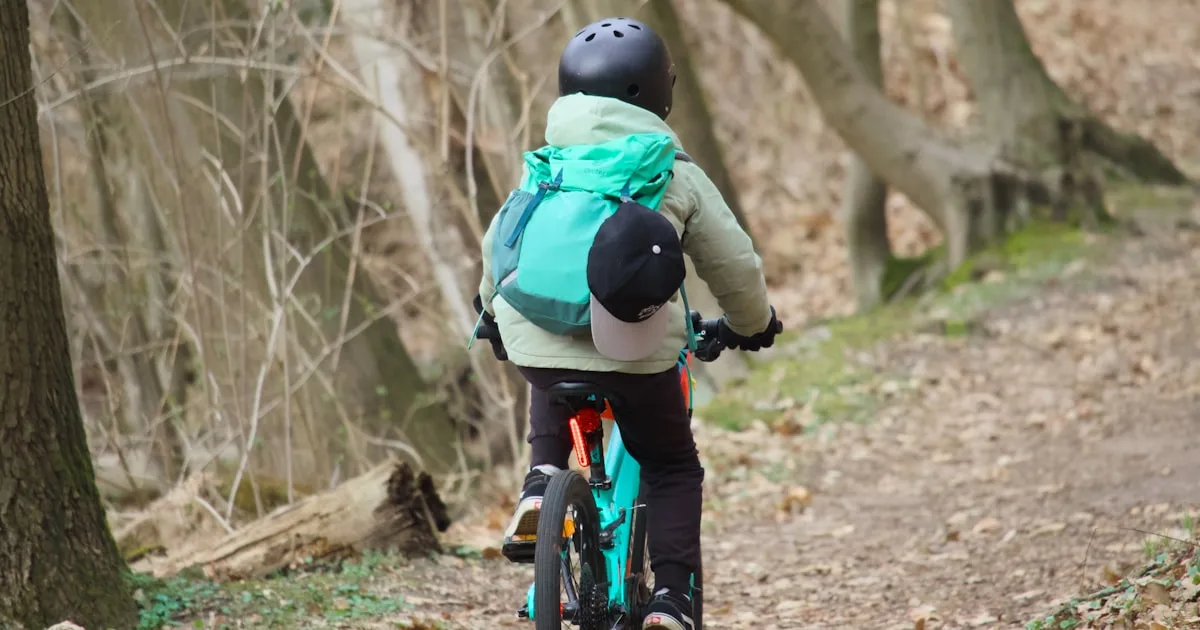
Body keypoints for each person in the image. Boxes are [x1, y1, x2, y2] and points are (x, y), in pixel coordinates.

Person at [474, 16, 781, 630]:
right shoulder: (673, 170)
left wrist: (490, 317)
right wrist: (752, 323)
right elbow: (734, 265)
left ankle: (541, 485)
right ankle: (672, 602)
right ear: (656, 92)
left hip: (532, 335)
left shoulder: (547, 163)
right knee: (672, 465)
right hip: (635, 354)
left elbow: (503, 243)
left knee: (551, 368)